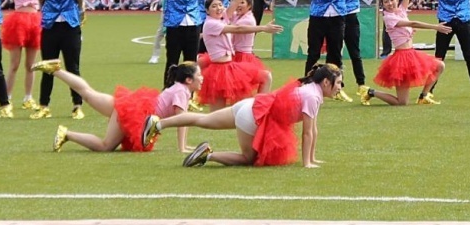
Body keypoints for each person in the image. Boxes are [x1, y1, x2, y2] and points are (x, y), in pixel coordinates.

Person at [145, 63, 344, 168]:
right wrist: (307, 163)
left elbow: (313, 130)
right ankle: (208, 155)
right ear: (326, 82)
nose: (339, 88)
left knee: (202, 119)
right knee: (248, 158)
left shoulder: (311, 91)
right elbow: (307, 133)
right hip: (253, 115)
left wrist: (313, 159)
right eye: (338, 83)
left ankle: (158, 124)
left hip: (250, 106)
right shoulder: (312, 96)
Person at [35, 58, 202, 153]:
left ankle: (56, 70)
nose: (202, 79)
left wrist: (185, 146)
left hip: (132, 105)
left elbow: (183, 121)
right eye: (199, 76)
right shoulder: (181, 92)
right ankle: (67, 134)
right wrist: (182, 148)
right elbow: (183, 120)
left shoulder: (181, 90)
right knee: (105, 146)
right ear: (189, 80)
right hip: (135, 113)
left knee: (88, 93)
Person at [19, 0, 105, 120]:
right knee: (48, 67)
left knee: (73, 67)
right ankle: (44, 106)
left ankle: (77, 105)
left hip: (70, 26)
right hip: (50, 26)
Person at [360, 0, 453, 106]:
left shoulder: (401, 10)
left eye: (392, 0)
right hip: (401, 58)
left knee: (440, 66)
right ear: (383, 4)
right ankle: (371, 92)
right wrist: (435, 27)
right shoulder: (388, 17)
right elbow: (412, 23)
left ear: (397, 0)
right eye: (386, 2)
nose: (390, 3)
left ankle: (424, 96)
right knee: (401, 102)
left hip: (412, 53)